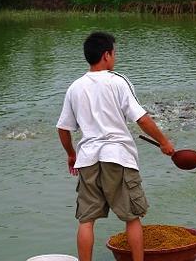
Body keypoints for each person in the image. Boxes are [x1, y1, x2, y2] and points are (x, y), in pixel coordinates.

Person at [56, 32, 175, 261]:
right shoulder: (117, 81)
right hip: (118, 157)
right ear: (106, 55)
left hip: (88, 159)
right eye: (114, 52)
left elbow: (63, 128)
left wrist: (71, 154)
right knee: (132, 218)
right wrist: (164, 142)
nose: (115, 57)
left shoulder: (75, 87)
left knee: (86, 221)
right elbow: (141, 119)